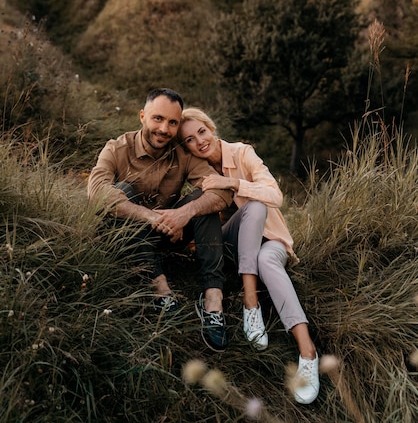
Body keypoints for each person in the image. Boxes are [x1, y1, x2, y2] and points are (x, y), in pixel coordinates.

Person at [179, 107, 320, 405]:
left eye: (201, 132)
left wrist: (233, 183)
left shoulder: (242, 153)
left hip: (272, 241)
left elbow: (276, 195)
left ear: (211, 128)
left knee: (261, 232)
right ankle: (251, 300)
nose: (199, 142)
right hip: (232, 245)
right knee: (251, 214)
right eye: (190, 139)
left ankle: (307, 352)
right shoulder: (196, 170)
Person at [87, 88, 234, 352]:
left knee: (204, 200)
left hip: (167, 239)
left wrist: (184, 213)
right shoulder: (117, 148)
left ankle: (213, 300)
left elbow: (221, 191)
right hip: (125, 240)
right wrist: (152, 217)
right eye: (158, 118)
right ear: (142, 116)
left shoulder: (183, 154)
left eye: (172, 123)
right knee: (124, 191)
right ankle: (161, 290)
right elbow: (97, 193)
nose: (164, 129)